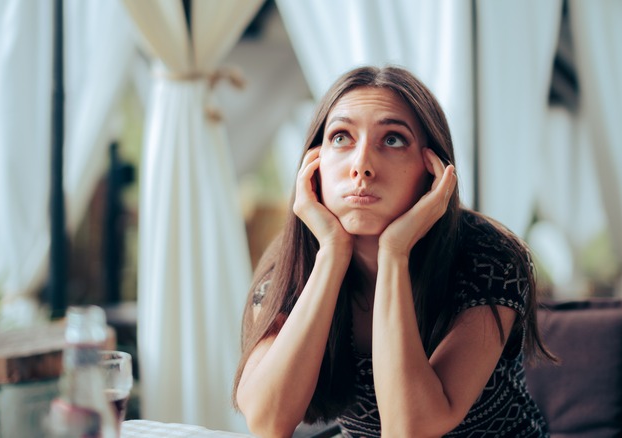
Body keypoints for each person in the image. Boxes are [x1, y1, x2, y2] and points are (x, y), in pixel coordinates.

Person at [233, 65, 554, 437]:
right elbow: (267, 422)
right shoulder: (294, 263)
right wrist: (332, 254)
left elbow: (410, 430)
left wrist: (394, 254)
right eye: (341, 138)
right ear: (314, 165)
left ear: (431, 169)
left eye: (393, 140)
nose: (362, 166)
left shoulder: (489, 258)